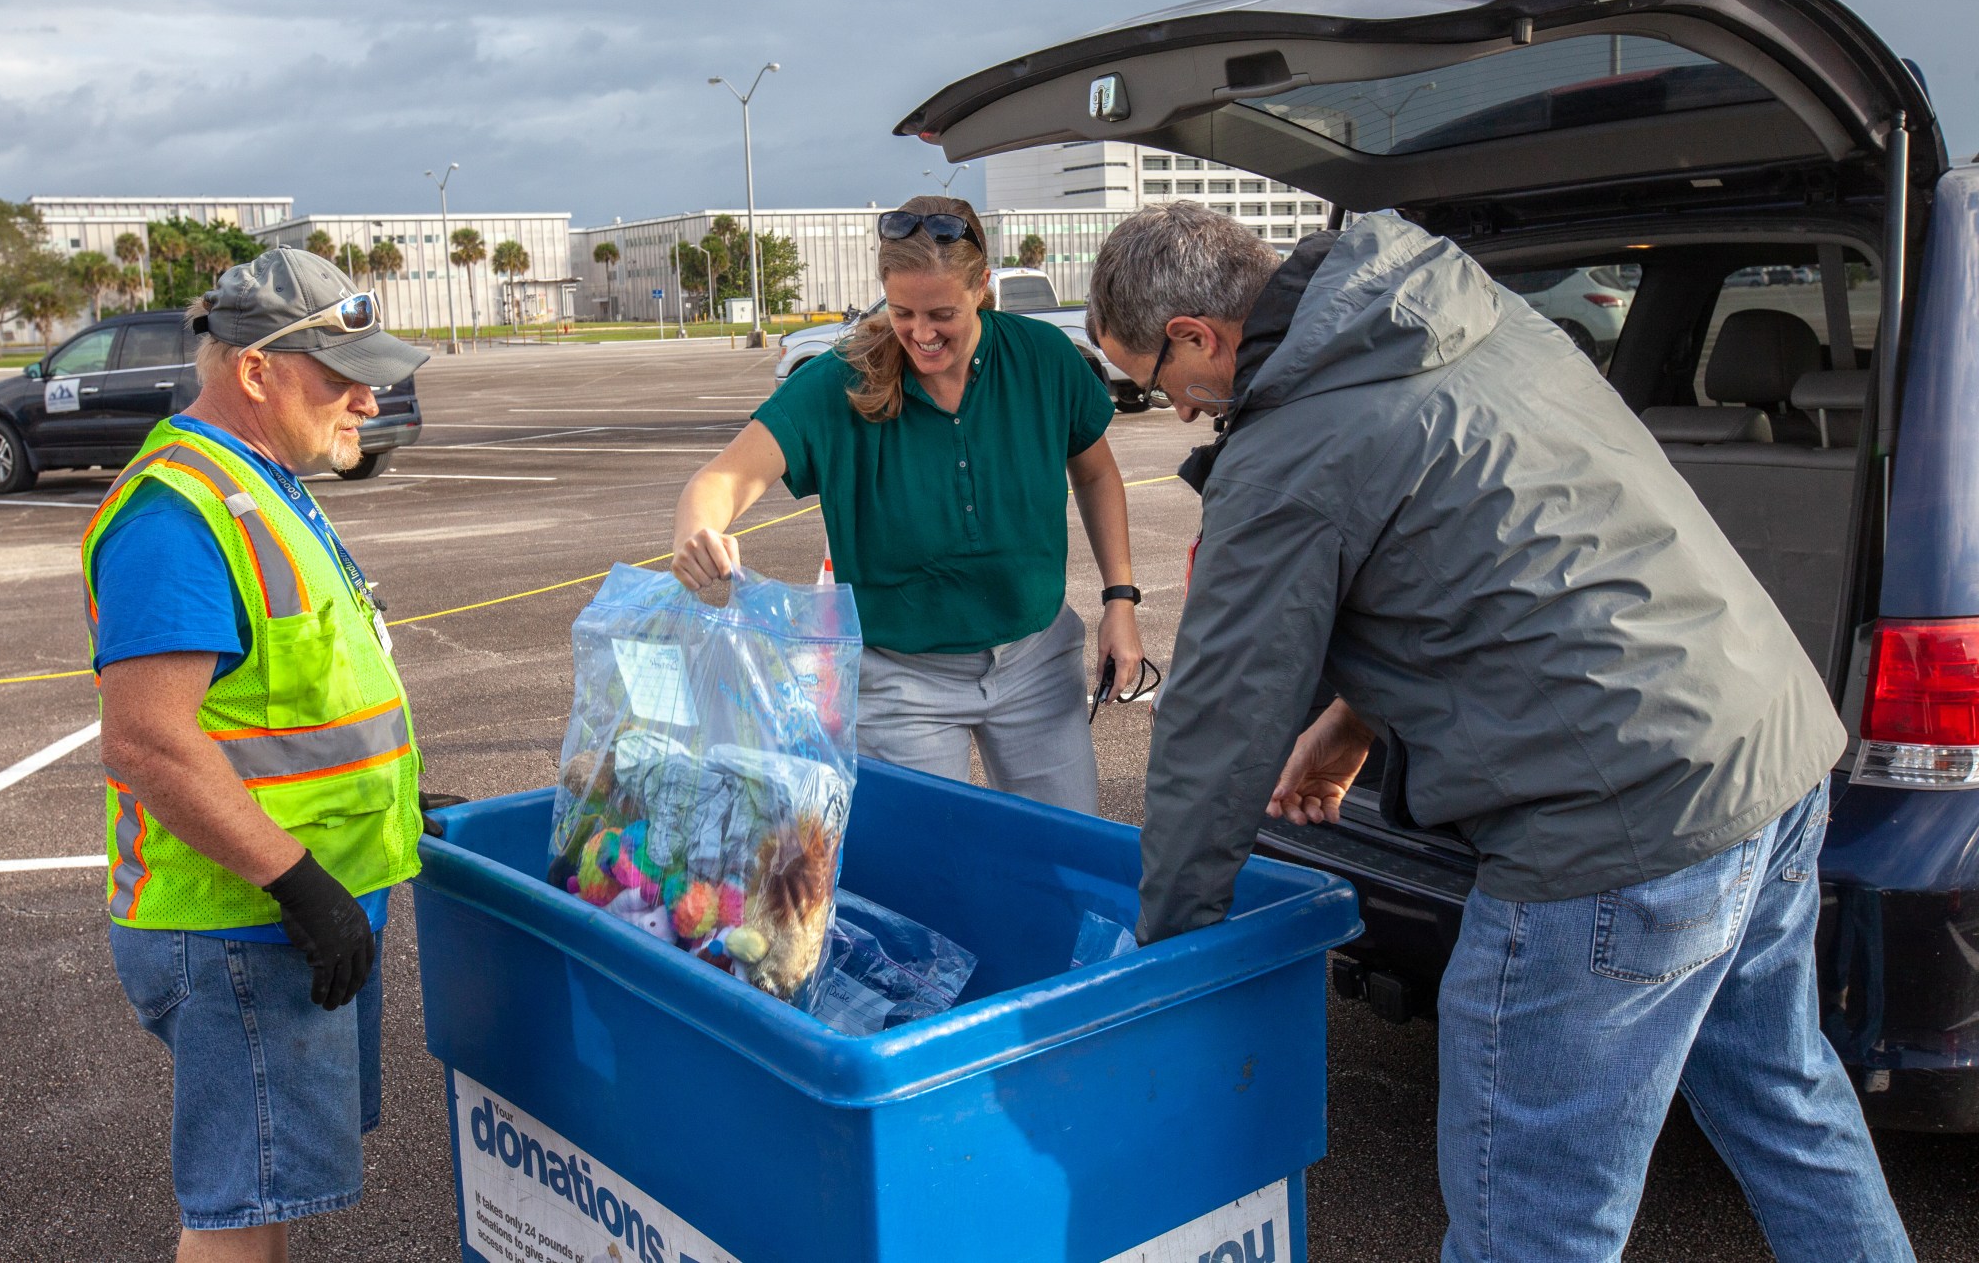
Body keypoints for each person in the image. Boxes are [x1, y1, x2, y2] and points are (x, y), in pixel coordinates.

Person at [1088, 204, 1911, 1262]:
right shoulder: (1468, 317)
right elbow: (1495, 560)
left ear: (1198, 333)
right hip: (1767, 760)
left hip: (1616, 831)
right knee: (1785, 1103)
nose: (1175, 405)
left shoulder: (1289, 446)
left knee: (1530, 1218)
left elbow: (1212, 738)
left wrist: (1165, 965)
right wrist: (1350, 723)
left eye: (1158, 379)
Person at [86, 248, 430, 1262]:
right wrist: (298, 884)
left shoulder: (258, 480)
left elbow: (290, 701)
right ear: (255, 371)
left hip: (281, 904)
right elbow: (148, 738)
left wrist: (391, 796)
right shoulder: (177, 515)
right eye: (341, 376)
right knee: (241, 1218)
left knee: (259, 1200)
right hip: (240, 919)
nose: (367, 399)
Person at [672, 195, 1143, 813]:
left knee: (1065, 852)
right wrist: (698, 531)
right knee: (930, 872)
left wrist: (1120, 600)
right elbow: (721, 479)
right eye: (903, 313)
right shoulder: (839, 383)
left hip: (1036, 662)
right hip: (899, 683)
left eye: (942, 312)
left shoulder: (1043, 358)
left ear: (982, 285)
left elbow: (1098, 475)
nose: (922, 333)